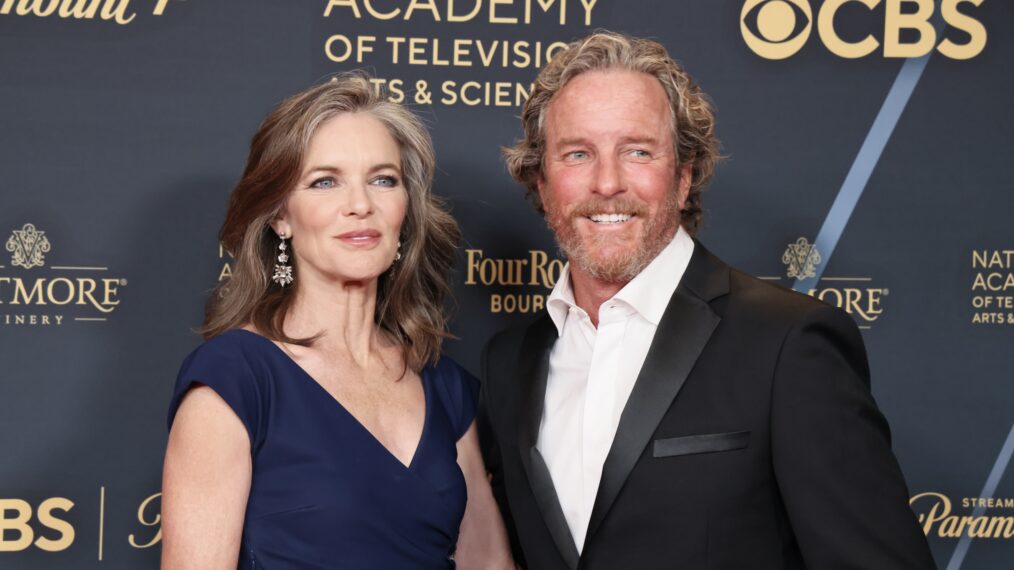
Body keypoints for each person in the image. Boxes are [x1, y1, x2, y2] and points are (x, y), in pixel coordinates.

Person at [478, 31, 935, 569]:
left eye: (638, 151)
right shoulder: (509, 363)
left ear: (683, 175)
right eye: (578, 154)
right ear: (542, 179)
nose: (607, 183)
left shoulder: (787, 345)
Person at [162, 74, 513, 569]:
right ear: (280, 215)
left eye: (383, 180)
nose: (360, 205)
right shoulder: (236, 379)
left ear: (406, 210)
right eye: (325, 181)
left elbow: (488, 563)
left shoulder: (446, 388)